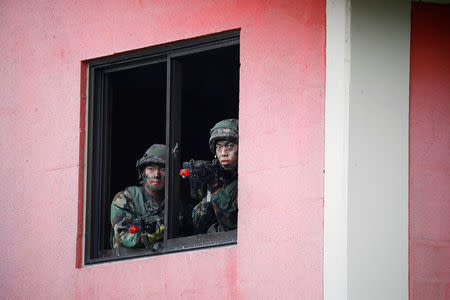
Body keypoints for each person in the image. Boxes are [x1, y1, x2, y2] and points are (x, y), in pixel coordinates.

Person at [110, 144, 166, 249]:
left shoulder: (176, 204)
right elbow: (124, 236)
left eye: (163, 169)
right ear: (143, 173)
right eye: (151, 169)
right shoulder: (125, 198)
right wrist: (156, 232)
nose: (156, 175)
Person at [192, 119, 239, 233]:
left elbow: (232, 222)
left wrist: (215, 186)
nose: (223, 153)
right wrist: (209, 187)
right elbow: (198, 224)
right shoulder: (216, 176)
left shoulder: (249, 177)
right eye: (219, 147)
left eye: (229, 146)